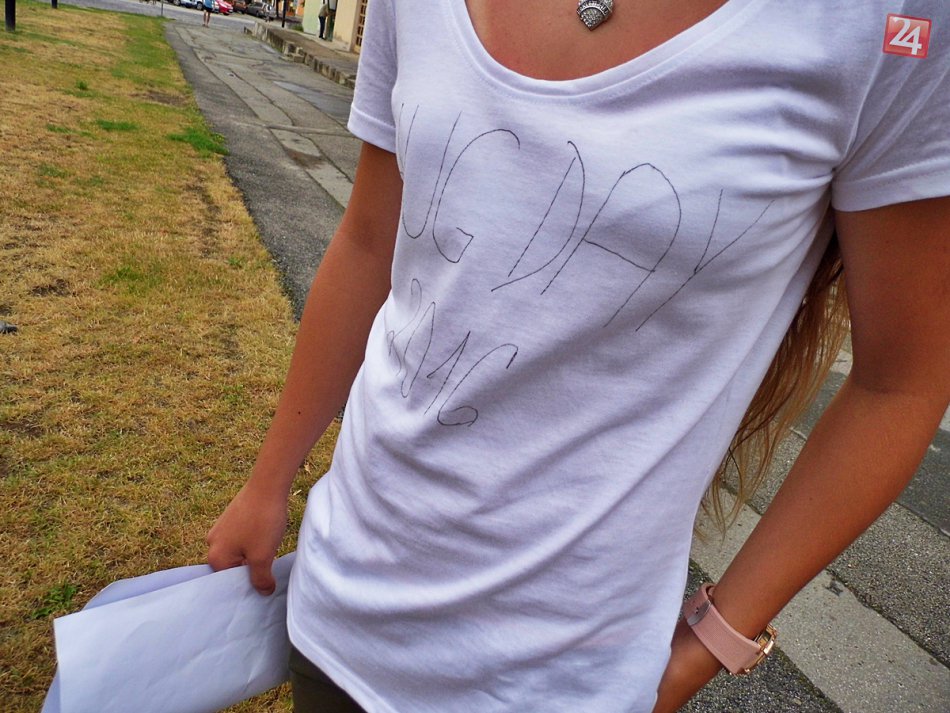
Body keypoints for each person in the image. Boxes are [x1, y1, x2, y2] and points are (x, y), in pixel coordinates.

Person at [207, 1, 949, 711]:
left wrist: (713, 641)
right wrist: (269, 482)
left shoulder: (887, 21)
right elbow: (369, 240)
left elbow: (902, 383)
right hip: (340, 612)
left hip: (559, 679)